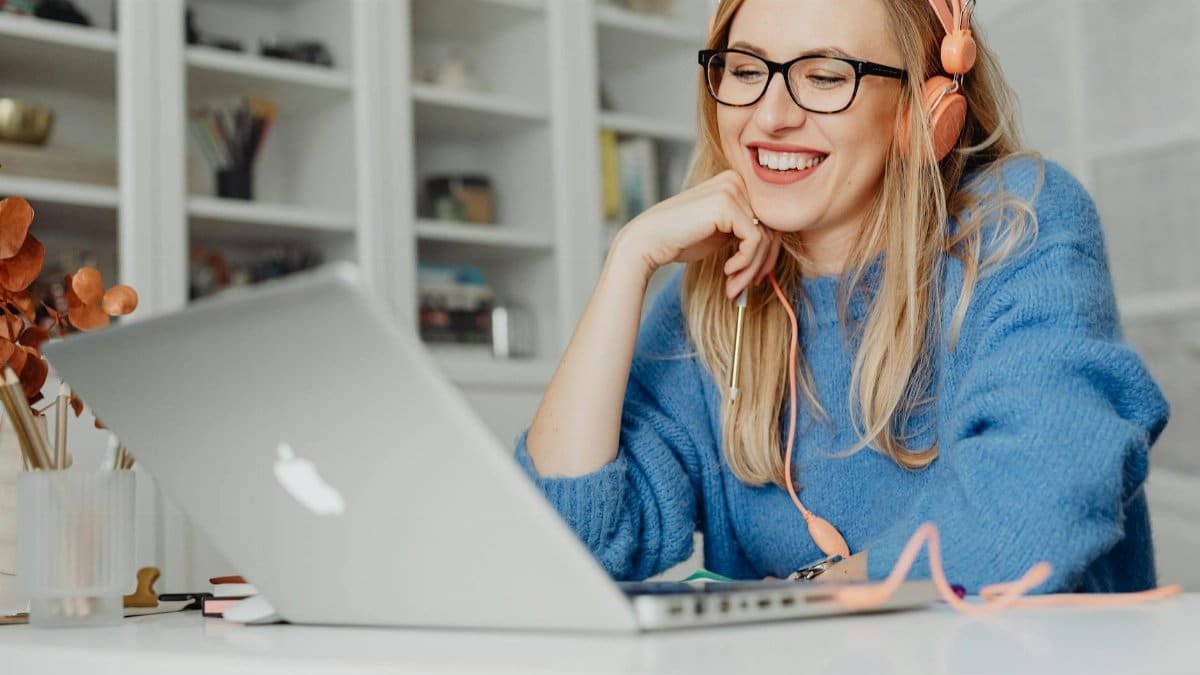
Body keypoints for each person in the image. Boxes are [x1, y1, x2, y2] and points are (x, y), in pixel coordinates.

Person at [515, 0, 1169, 594]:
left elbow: (1031, 513)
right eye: (745, 71)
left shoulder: (1017, 225)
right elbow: (569, 547)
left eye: (826, 77)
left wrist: (810, 588)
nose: (770, 115)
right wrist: (629, 259)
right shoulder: (716, 301)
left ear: (924, 112)